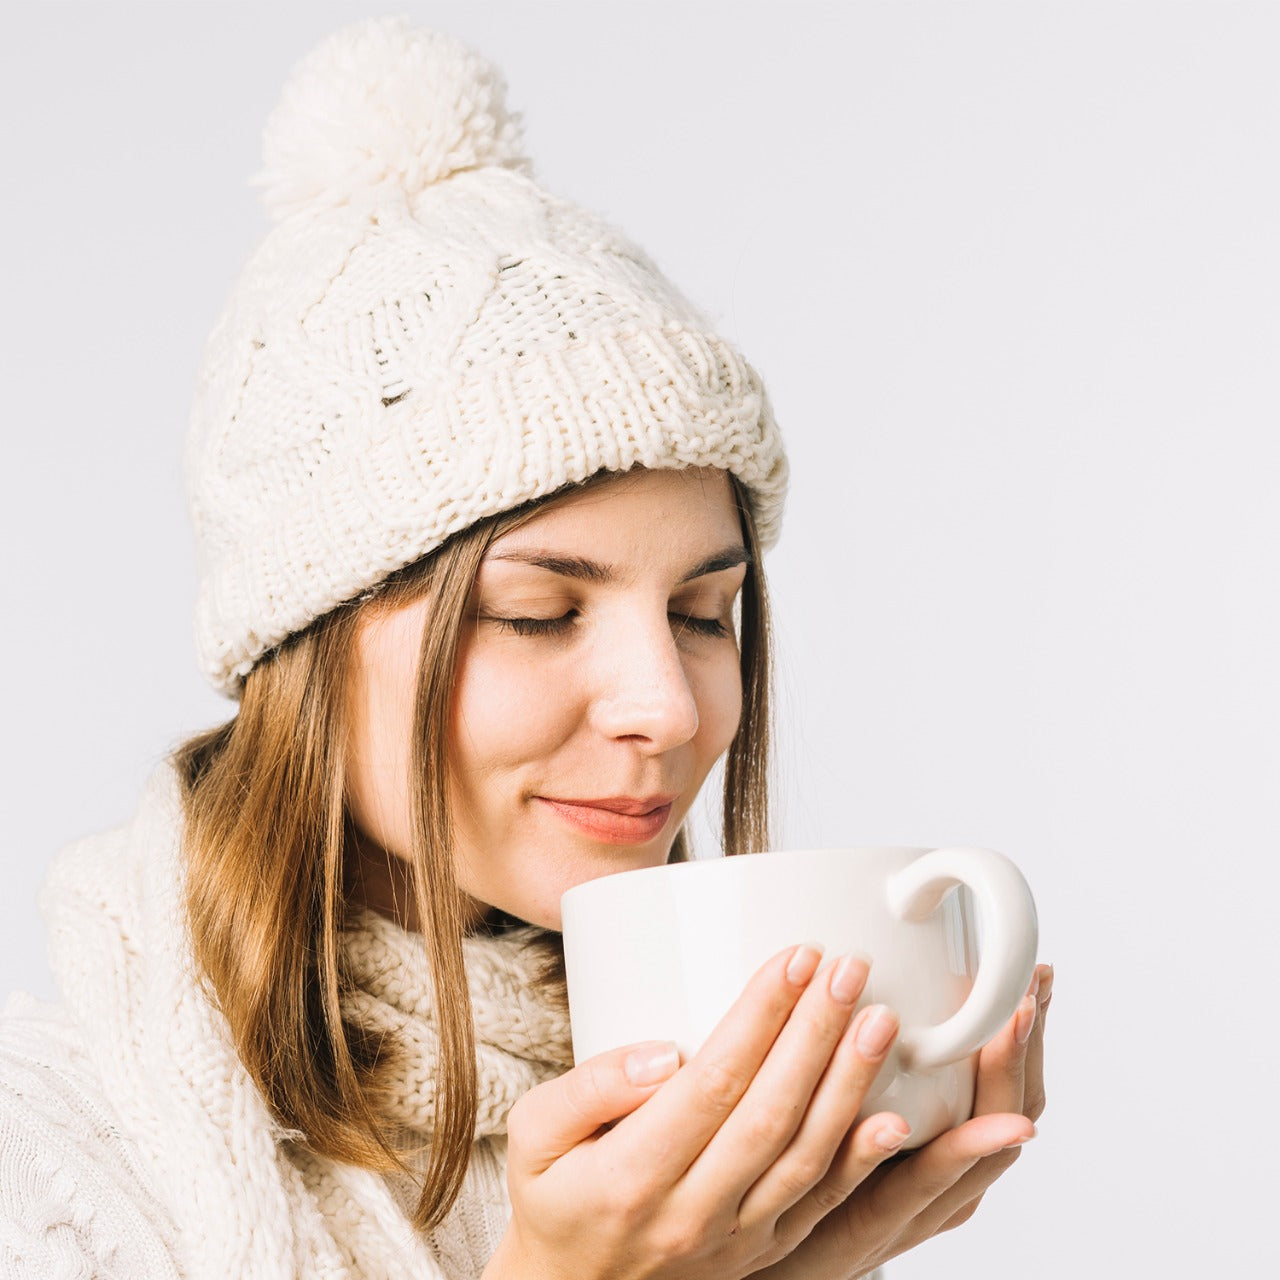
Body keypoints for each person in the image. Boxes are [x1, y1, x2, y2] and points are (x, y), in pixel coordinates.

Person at [0, 18, 1050, 1280]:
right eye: (538, 613)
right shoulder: (48, 1150)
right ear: (306, 644)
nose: (666, 708)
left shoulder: (716, 1163)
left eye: (703, 614)